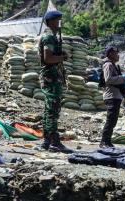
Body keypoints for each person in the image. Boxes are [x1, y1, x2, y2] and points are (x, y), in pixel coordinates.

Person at [38, 10, 72, 153]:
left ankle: (46, 141)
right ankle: (54, 142)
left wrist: (60, 55)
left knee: (48, 110)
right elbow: (48, 58)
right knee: (53, 109)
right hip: (51, 77)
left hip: (50, 77)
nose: (59, 24)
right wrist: (62, 58)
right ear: (51, 22)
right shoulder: (49, 37)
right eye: (57, 21)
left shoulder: (51, 36)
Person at [100, 46, 125, 148]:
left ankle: (108, 141)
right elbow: (108, 79)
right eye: (116, 53)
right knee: (110, 120)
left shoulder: (114, 65)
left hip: (115, 96)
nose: (118, 55)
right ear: (110, 54)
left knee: (113, 120)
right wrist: (122, 78)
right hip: (111, 96)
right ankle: (104, 141)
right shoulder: (108, 65)